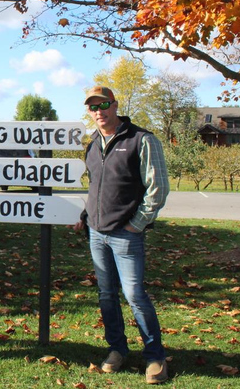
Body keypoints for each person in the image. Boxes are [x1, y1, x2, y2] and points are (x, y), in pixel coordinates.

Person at [74, 86, 170, 385]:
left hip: (126, 235)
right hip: (96, 233)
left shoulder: (141, 139)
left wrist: (137, 224)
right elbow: (95, 187)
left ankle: (155, 357)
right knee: (106, 294)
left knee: (135, 296)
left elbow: (159, 188)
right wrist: (84, 216)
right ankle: (117, 349)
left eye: (104, 105)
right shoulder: (91, 144)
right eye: (92, 108)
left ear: (115, 106)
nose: (99, 111)